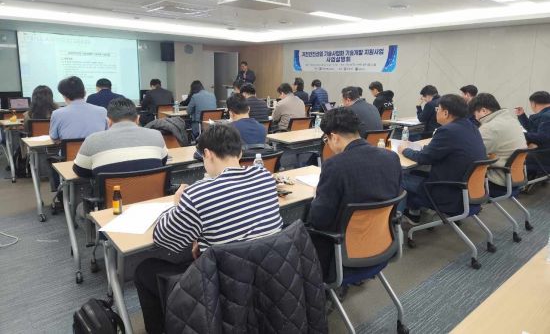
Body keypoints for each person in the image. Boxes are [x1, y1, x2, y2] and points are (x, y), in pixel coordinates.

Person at [134, 124, 283, 334]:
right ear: (240, 152)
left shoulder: (198, 194)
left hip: (221, 286)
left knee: (144, 270)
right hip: (266, 276)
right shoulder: (265, 177)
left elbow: (162, 237)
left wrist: (176, 204)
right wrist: (201, 239)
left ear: (207, 154)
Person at [308, 108, 402, 280]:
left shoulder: (335, 166)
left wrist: (317, 197)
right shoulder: (391, 158)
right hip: (383, 245)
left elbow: (319, 220)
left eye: (326, 139)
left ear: (334, 137)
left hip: (341, 254)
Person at [399, 94, 486, 225]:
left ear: (445, 113)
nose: (436, 112)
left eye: (437, 109)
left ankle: (397, 223)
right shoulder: (471, 127)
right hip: (467, 191)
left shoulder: (448, 131)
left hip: (448, 193)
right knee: (415, 172)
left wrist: (404, 150)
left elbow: (424, 158)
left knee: (397, 178)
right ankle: (413, 212)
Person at [73, 98, 168, 177]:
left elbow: (80, 171)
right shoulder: (156, 134)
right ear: (138, 119)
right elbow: (162, 162)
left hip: (113, 194)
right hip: (152, 194)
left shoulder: (92, 140)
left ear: (108, 121)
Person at [469, 93, 526, 195]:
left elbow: (472, 154)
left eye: (475, 114)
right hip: (514, 177)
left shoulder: (490, 127)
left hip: (497, 181)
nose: (476, 118)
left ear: (483, 110)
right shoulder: (512, 120)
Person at [50, 76, 108, 141]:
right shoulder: (102, 111)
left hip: (70, 148)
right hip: (97, 147)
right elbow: (106, 133)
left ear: (64, 96)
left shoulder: (57, 114)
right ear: (84, 92)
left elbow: (54, 137)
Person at [515, 91, 550, 174]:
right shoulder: (545, 115)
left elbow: (543, 137)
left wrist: (520, 135)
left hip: (544, 157)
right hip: (545, 154)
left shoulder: (546, 116)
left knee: (515, 159)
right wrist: (522, 116)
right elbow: (534, 129)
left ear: (533, 104)